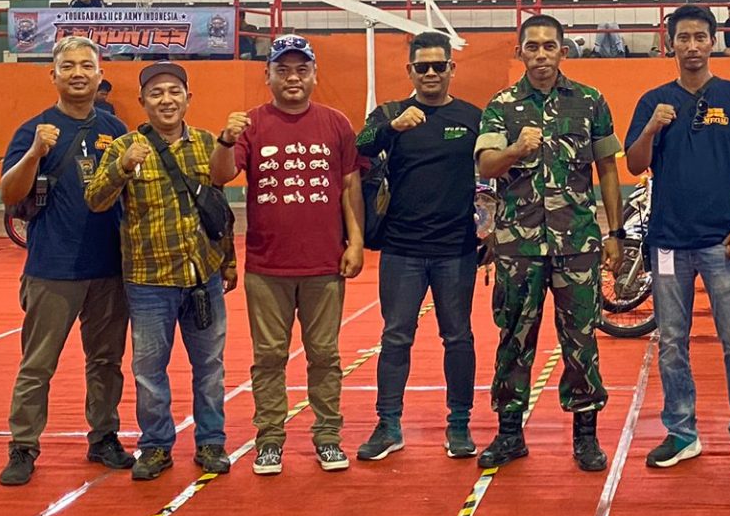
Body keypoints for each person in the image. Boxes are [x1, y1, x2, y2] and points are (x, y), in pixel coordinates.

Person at [625, 3, 730, 473]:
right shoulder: (653, 101)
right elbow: (634, 163)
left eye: (700, 37)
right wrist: (652, 127)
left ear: (712, 42)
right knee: (672, 341)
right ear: (670, 43)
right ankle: (681, 432)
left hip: (722, 242)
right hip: (668, 242)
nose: (692, 46)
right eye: (683, 37)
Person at [475, 14, 625, 472]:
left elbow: (608, 169)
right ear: (519, 52)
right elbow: (486, 166)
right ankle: (509, 433)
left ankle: (585, 435)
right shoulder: (501, 105)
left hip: (576, 243)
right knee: (514, 337)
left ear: (563, 50)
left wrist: (615, 233)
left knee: (581, 338)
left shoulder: (590, 101)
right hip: (517, 247)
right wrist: (516, 150)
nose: (541, 54)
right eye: (532, 46)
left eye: (549, 46)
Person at [211, 35, 364, 476]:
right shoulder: (252, 124)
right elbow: (220, 176)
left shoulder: (336, 123)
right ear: (268, 76)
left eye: (301, 70)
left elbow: (349, 186)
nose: (292, 78)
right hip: (266, 266)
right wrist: (225, 140)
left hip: (324, 265)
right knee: (269, 357)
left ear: (314, 75)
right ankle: (269, 439)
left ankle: (328, 436)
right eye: (283, 70)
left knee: (325, 356)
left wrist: (355, 241)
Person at [85, 62, 238, 482]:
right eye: (156, 93)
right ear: (142, 102)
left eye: (174, 91)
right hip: (149, 282)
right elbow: (95, 200)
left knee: (210, 367)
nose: (166, 100)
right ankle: (155, 446)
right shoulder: (124, 147)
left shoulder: (207, 144)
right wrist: (121, 168)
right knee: (149, 372)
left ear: (188, 98)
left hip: (203, 276)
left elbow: (219, 209)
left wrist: (228, 260)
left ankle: (211, 441)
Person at [0, 37, 133, 486]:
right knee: (38, 364)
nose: (78, 73)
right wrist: (35, 153)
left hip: (108, 267)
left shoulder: (116, 128)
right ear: (52, 75)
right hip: (52, 268)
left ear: (100, 75)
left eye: (86, 66)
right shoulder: (33, 130)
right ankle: (23, 445)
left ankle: (104, 436)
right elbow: (9, 193)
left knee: (106, 361)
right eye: (68, 66)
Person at [353, 31, 484, 461]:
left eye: (438, 66)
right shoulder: (390, 114)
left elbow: (495, 171)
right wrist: (390, 128)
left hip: (456, 250)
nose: (430, 73)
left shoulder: (472, 117)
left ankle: (459, 424)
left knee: (458, 337)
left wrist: (491, 230)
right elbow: (357, 148)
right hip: (401, 249)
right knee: (395, 337)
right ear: (410, 70)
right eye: (422, 66)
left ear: (451, 69)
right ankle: (388, 424)